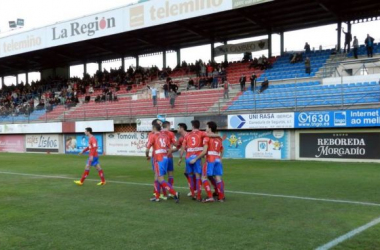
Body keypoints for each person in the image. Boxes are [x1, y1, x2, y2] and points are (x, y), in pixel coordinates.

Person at [190, 121, 225, 202]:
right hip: (217, 159)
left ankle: (210, 197)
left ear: (209, 128)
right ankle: (221, 197)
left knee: (203, 177)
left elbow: (205, 151)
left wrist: (196, 158)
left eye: (206, 127)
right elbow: (222, 150)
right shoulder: (219, 138)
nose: (205, 129)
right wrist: (220, 158)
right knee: (218, 178)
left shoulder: (207, 137)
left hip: (210, 159)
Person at [146, 123, 180, 203]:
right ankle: (157, 196)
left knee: (160, 179)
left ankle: (174, 193)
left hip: (158, 159)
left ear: (154, 128)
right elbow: (169, 148)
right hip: (165, 158)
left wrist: (147, 155)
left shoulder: (152, 136)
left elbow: (147, 149)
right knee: (157, 177)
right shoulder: (165, 136)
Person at [161, 121, 176, 195]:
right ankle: (170, 192)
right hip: (169, 156)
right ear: (168, 126)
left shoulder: (158, 133)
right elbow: (175, 144)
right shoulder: (171, 133)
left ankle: (164, 194)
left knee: (161, 176)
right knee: (170, 174)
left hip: (161, 157)